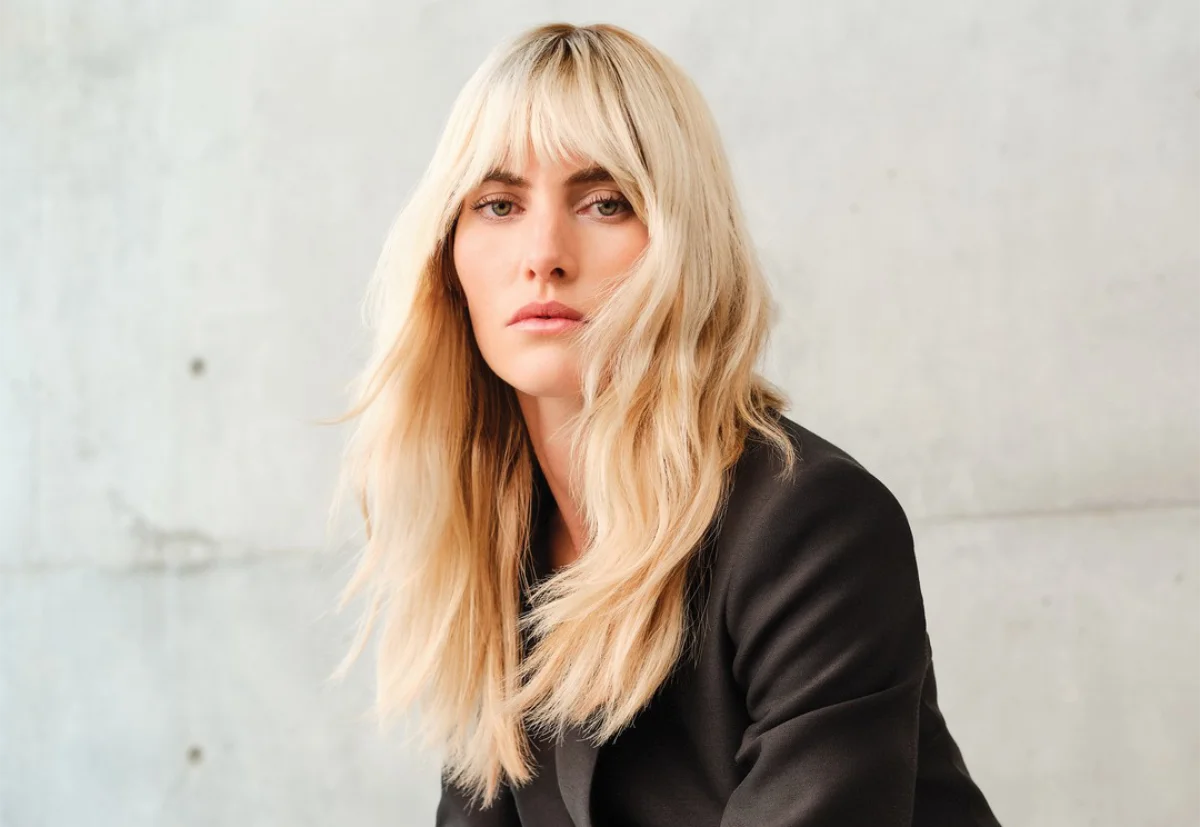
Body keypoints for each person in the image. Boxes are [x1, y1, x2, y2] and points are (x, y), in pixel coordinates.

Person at [329, 21, 1003, 827]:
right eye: (499, 203)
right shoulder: (501, 536)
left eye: (605, 202)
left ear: (682, 246)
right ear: (447, 255)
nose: (544, 252)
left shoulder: (811, 526)